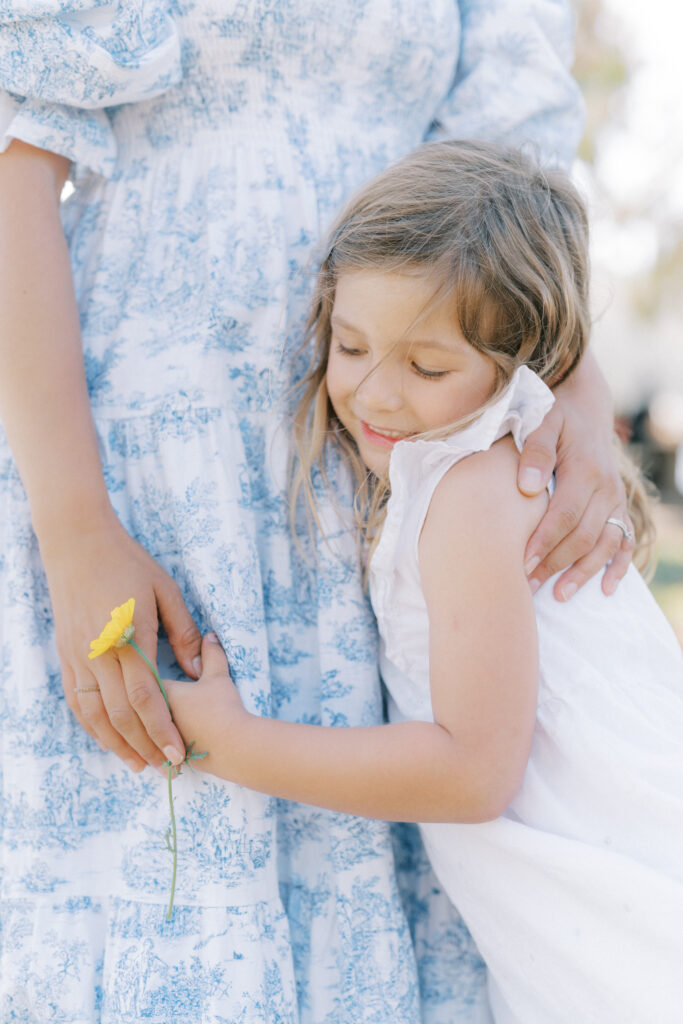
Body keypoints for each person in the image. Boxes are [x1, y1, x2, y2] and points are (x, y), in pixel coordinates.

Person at [0, 2, 633, 1021]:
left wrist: (581, 400)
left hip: (389, 464)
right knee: (168, 821)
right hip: (152, 464)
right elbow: (13, 163)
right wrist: (76, 527)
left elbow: (516, 190)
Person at [164, 140, 683, 1023]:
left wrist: (234, 742)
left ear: (523, 360)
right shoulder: (456, 477)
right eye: (350, 344)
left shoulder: (475, 488)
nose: (374, 394)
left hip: (623, 911)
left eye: (427, 366)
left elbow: (473, 770)